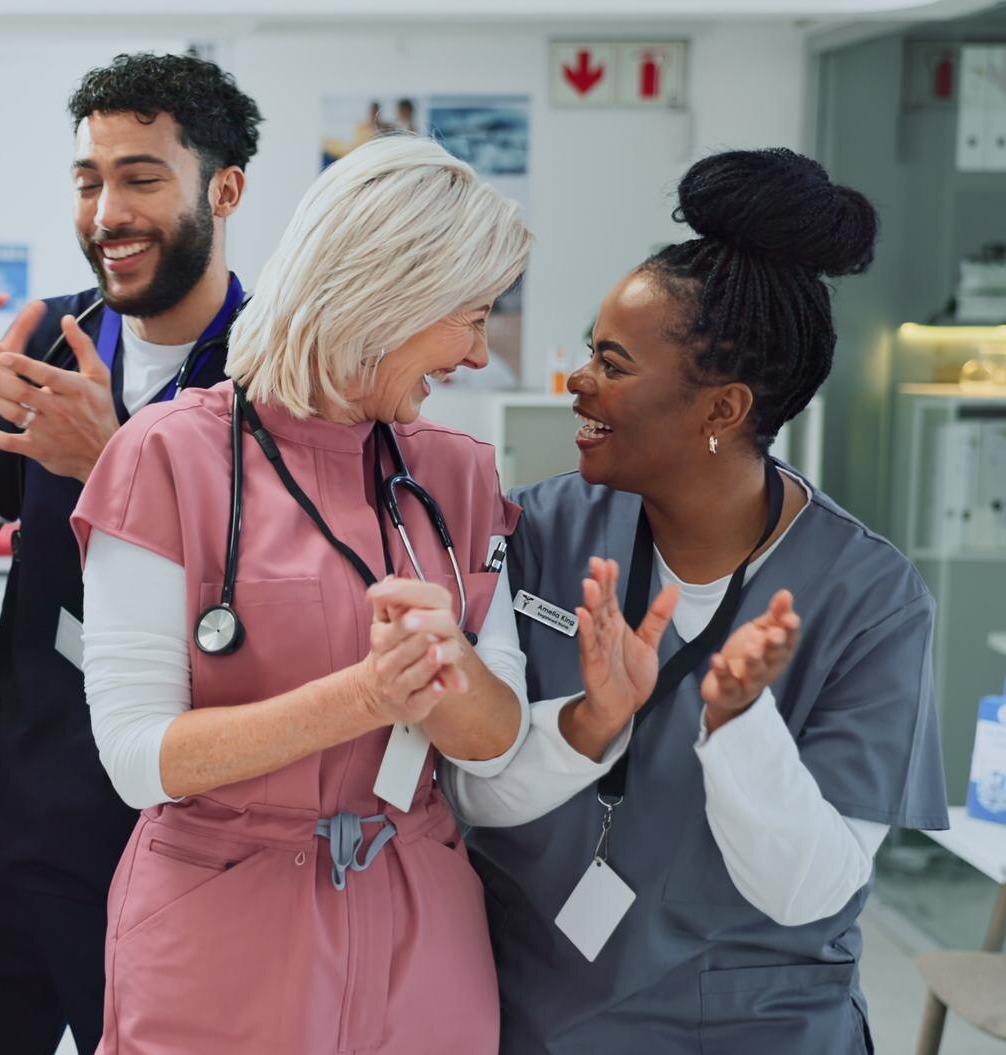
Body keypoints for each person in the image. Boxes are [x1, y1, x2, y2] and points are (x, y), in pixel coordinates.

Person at [446, 149, 948, 1054]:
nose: (577, 382)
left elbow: (813, 889)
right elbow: (475, 789)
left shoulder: (869, 599)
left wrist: (740, 723)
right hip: (538, 1013)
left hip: (751, 1030)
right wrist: (590, 723)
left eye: (613, 362)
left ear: (721, 411)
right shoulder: (540, 530)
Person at [71, 132, 530, 1052]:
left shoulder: (460, 476)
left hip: (422, 936)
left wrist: (452, 671)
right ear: (387, 296)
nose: (479, 355)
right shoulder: (170, 458)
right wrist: (363, 696)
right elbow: (135, 755)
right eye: (470, 316)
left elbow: (497, 740)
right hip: (224, 931)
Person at [0, 52, 262, 1054]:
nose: (108, 211)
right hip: (2, 819)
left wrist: (112, 459)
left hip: (178, 838)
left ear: (222, 189)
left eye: (141, 177)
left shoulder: (279, 374)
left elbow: (274, 613)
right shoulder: (51, 342)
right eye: (88, 180)